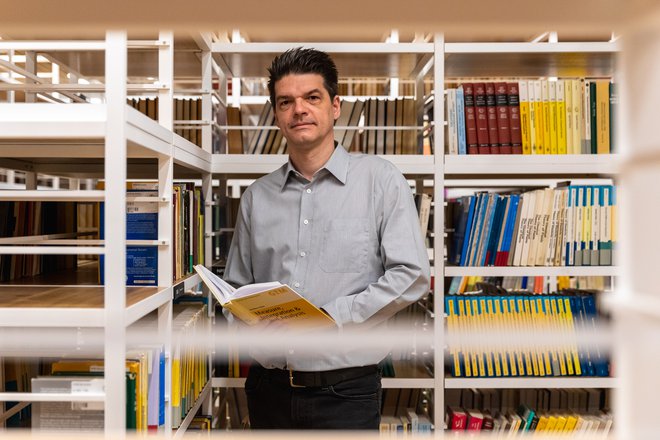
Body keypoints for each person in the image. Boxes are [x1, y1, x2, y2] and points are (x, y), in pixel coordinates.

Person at [223, 47, 430, 430]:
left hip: (346, 393)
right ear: (276, 115)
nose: (298, 109)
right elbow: (235, 290)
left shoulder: (380, 181)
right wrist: (251, 326)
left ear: (335, 106)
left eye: (311, 98)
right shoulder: (256, 197)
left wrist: (330, 319)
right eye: (286, 101)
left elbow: (411, 274)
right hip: (269, 390)